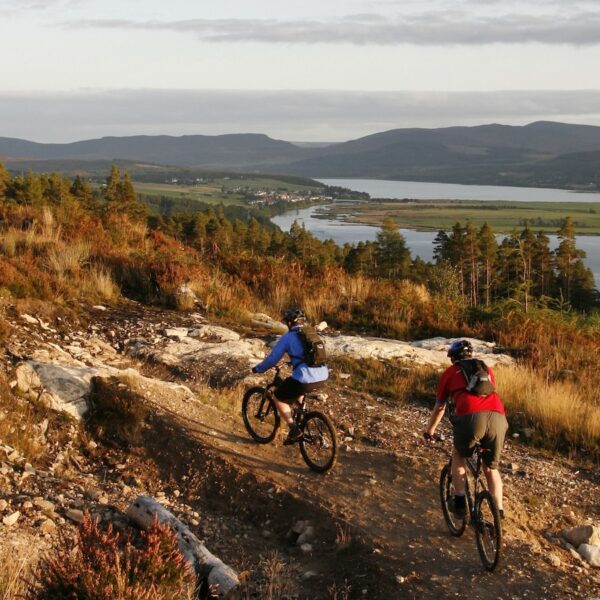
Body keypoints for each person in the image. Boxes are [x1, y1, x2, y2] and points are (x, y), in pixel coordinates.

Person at [424, 339, 508, 519]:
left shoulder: (450, 372)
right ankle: (499, 511)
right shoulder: (486, 369)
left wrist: (430, 430)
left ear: (452, 358)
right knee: (491, 468)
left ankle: (460, 502)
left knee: (459, 454)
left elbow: (440, 407)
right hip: (498, 417)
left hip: (471, 418)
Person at [252, 308, 328, 444]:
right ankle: (302, 416)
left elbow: (272, 358)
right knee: (298, 388)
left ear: (289, 323)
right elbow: (310, 356)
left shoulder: (288, 337)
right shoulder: (311, 333)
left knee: (278, 397)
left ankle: (293, 429)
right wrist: (290, 362)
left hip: (306, 378)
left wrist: (259, 368)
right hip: (323, 375)